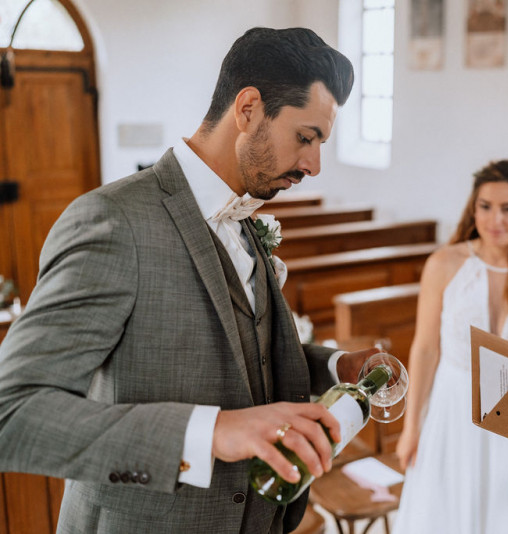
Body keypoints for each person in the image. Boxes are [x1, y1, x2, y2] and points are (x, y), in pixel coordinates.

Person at [0, 27, 376, 534]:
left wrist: (334, 365)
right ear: (247, 110)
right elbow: (13, 414)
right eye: (306, 138)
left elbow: (247, 356)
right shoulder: (112, 221)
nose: (313, 163)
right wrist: (213, 431)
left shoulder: (246, 216)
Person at [393, 160, 508, 534]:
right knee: (442, 512)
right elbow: (425, 349)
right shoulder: (444, 264)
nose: (496, 219)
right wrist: (411, 427)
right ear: (473, 209)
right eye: (485, 206)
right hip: (451, 409)